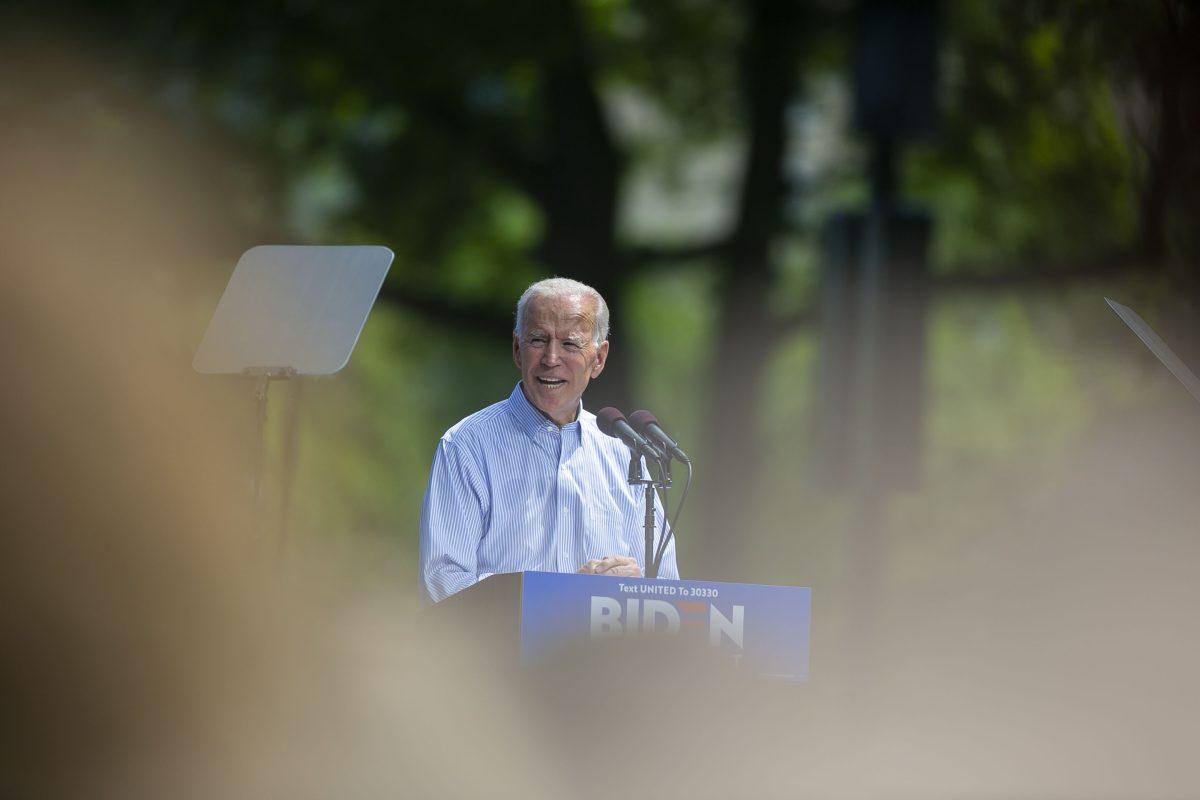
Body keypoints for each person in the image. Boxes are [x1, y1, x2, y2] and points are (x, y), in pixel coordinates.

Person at [419, 277, 679, 604]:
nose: (551, 358)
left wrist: (637, 584)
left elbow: (670, 594)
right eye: (538, 340)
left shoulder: (627, 455)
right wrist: (560, 600)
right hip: (501, 654)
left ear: (598, 359)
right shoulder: (467, 446)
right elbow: (444, 585)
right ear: (517, 349)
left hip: (608, 654)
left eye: (570, 344)